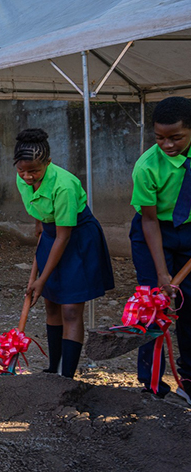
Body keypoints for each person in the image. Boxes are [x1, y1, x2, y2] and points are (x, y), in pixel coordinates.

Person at [14, 129, 114, 378]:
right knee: (51, 305)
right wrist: (39, 228)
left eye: (34, 171)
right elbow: (38, 213)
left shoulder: (65, 185)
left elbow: (64, 236)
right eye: (21, 171)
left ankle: (66, 376)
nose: (27, 177)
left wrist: (41, 279)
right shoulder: (23, 178)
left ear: (47, 163)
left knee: (70, 308)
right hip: (51, 235)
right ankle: (52, 368)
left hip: (76, 239)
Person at [129, 96, 191, 403]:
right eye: (160, 138)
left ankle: (188, 381)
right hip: (154, 232)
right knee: (152, 304)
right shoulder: (146, 166)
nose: (167, 145)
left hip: (189, 231)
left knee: (189, 306)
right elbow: (149, 220)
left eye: (176, 137)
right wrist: (163, 274)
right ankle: (151, 384)